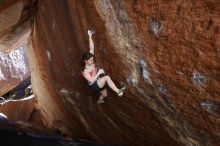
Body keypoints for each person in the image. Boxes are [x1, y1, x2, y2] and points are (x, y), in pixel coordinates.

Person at [80, 30, 125, 104]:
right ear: (85, 61)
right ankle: (118, 91)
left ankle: (99, 100)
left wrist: (89, 36)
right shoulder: (84, 71)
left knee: (105, 94)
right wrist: (99, 73)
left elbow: (91, 48)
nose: (92, 61)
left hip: (98, 80)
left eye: (92, 59)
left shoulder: (89, 58)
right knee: (106, 78)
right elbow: (91, 80)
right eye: (90, 60)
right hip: (93, 85)